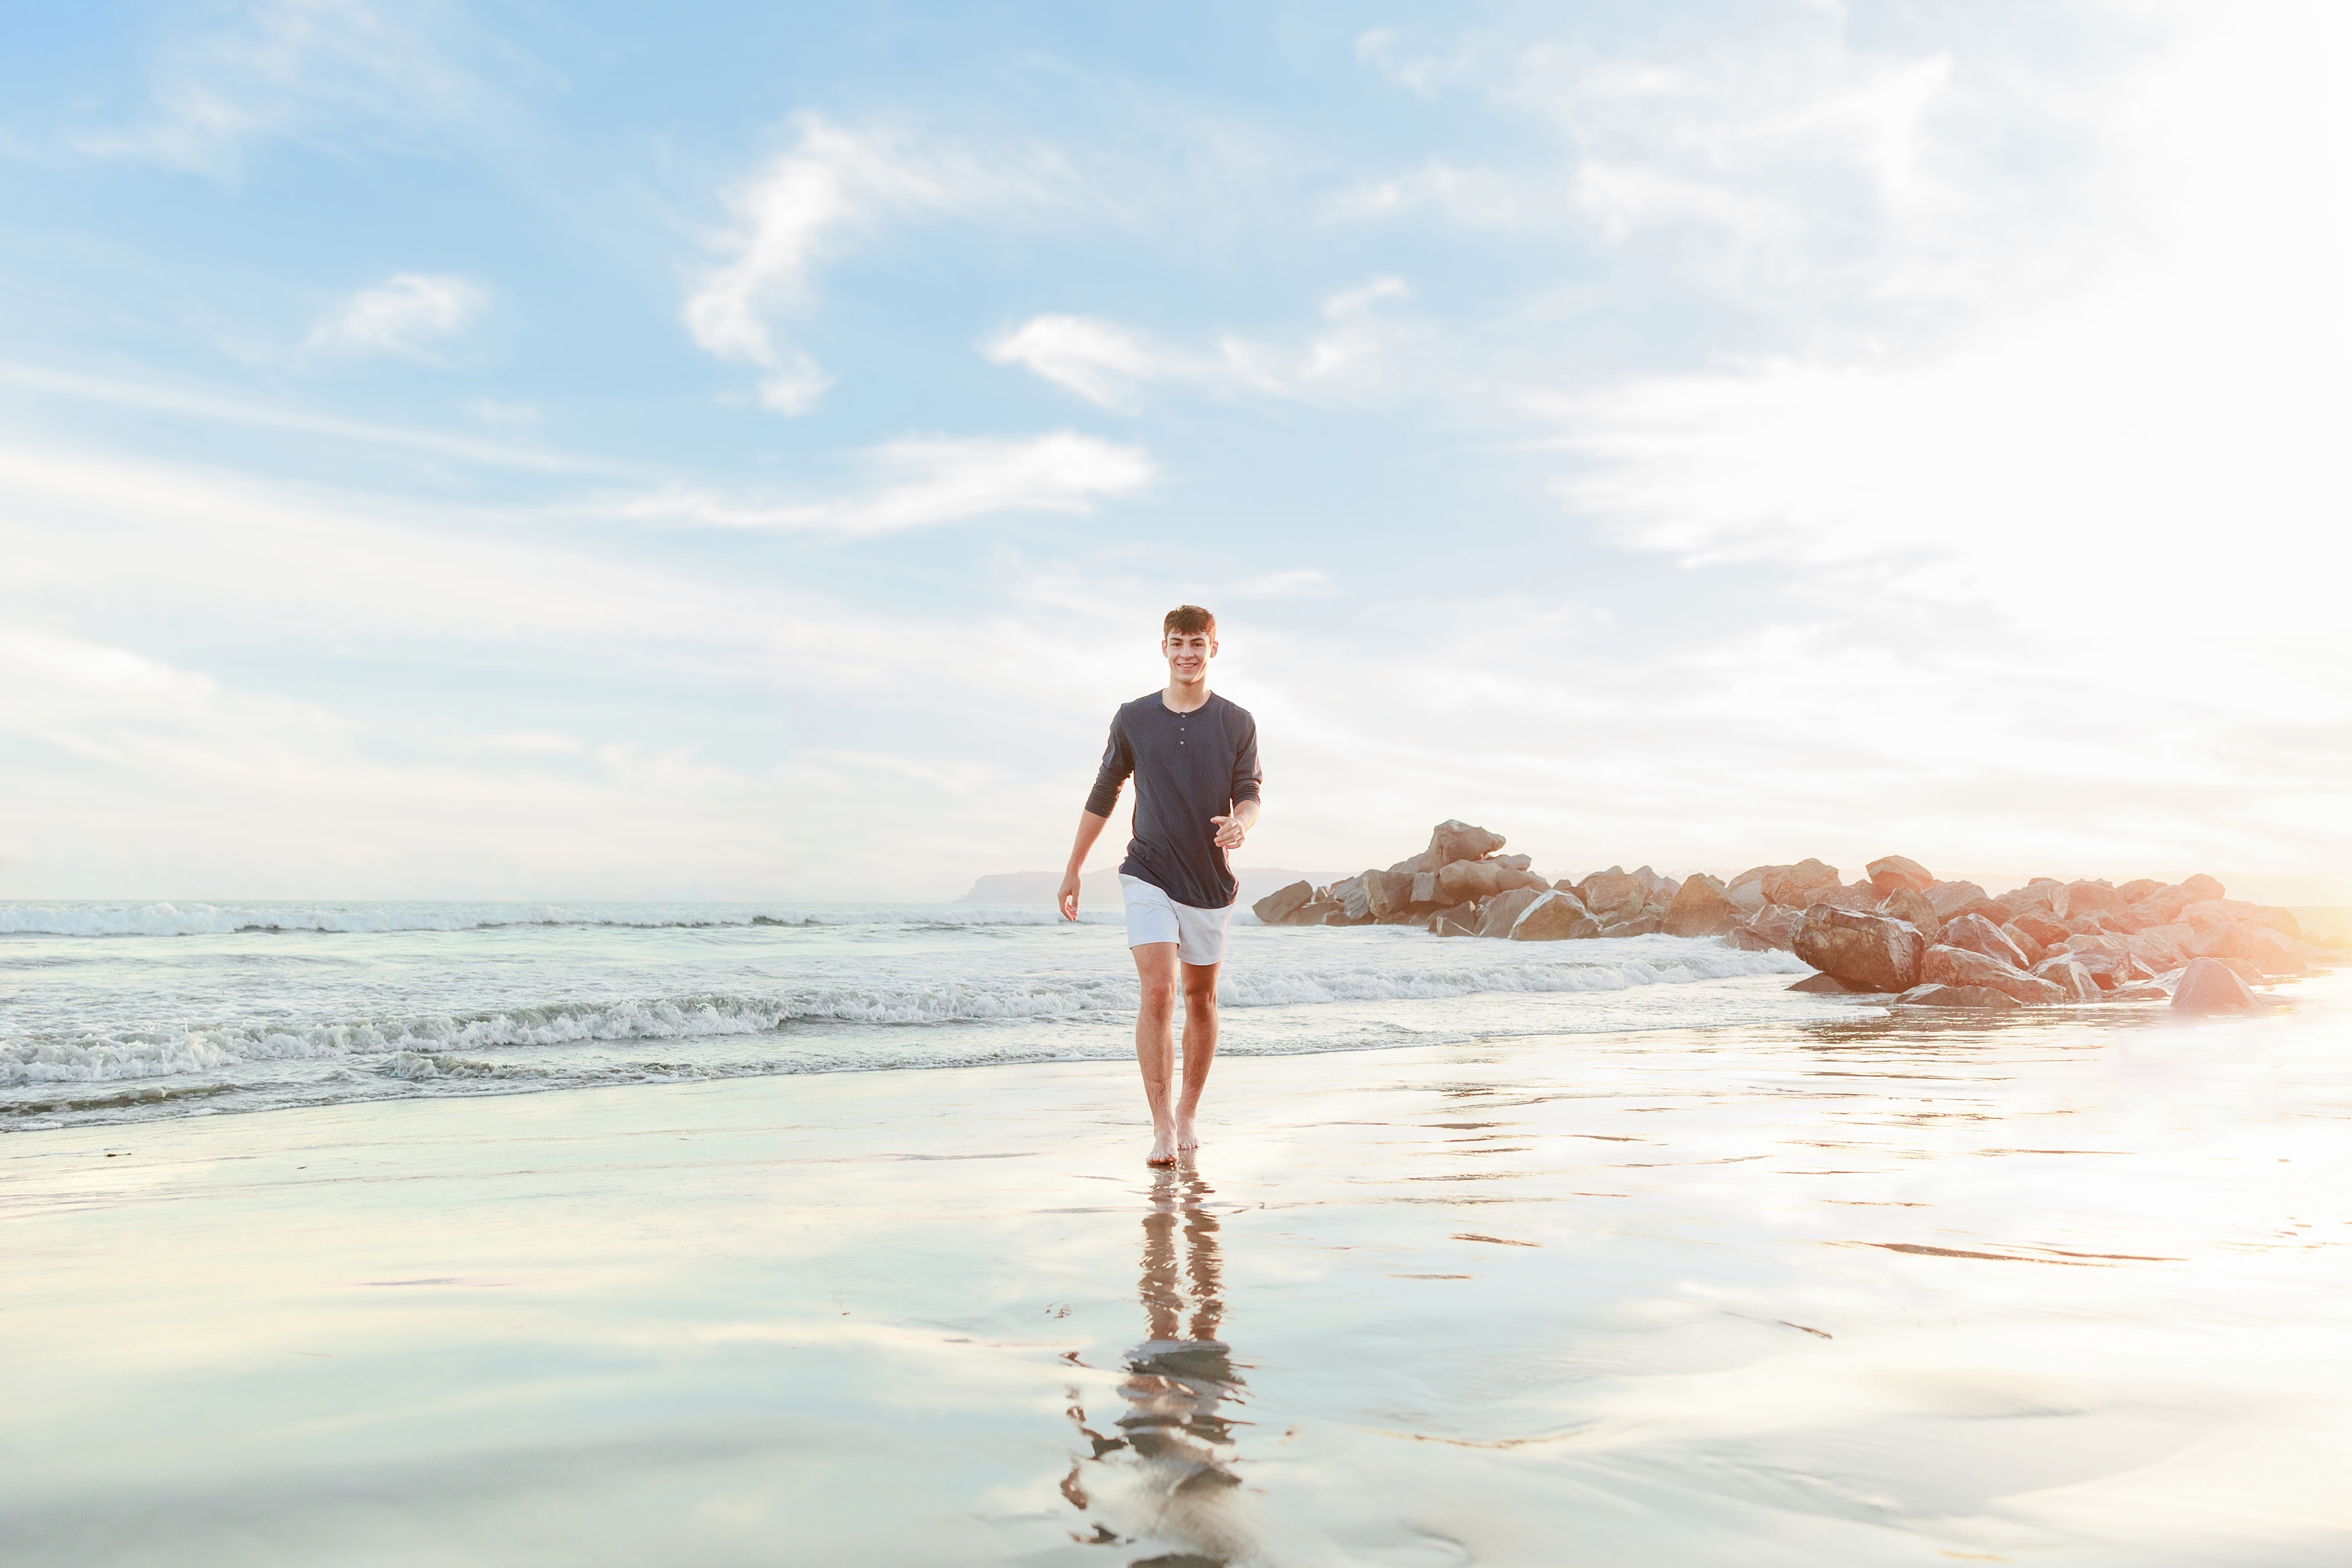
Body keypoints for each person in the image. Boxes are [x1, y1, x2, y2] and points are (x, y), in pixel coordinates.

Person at [1058, 605, 1261, 1166]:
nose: (1187, 654)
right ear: (1163, 648)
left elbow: (1249, 792)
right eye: (1178, 643)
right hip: (1146, 869)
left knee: (1200, 997)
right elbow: (1105, 792)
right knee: (1158, 990)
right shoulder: (1133, 718)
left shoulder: (1236, 722)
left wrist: (1242, 821)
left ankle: (1190, 1111)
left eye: (1198, 644)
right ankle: (1161, 1126)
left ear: (1213, 649)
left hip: (1208, 878)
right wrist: (1074, 866)